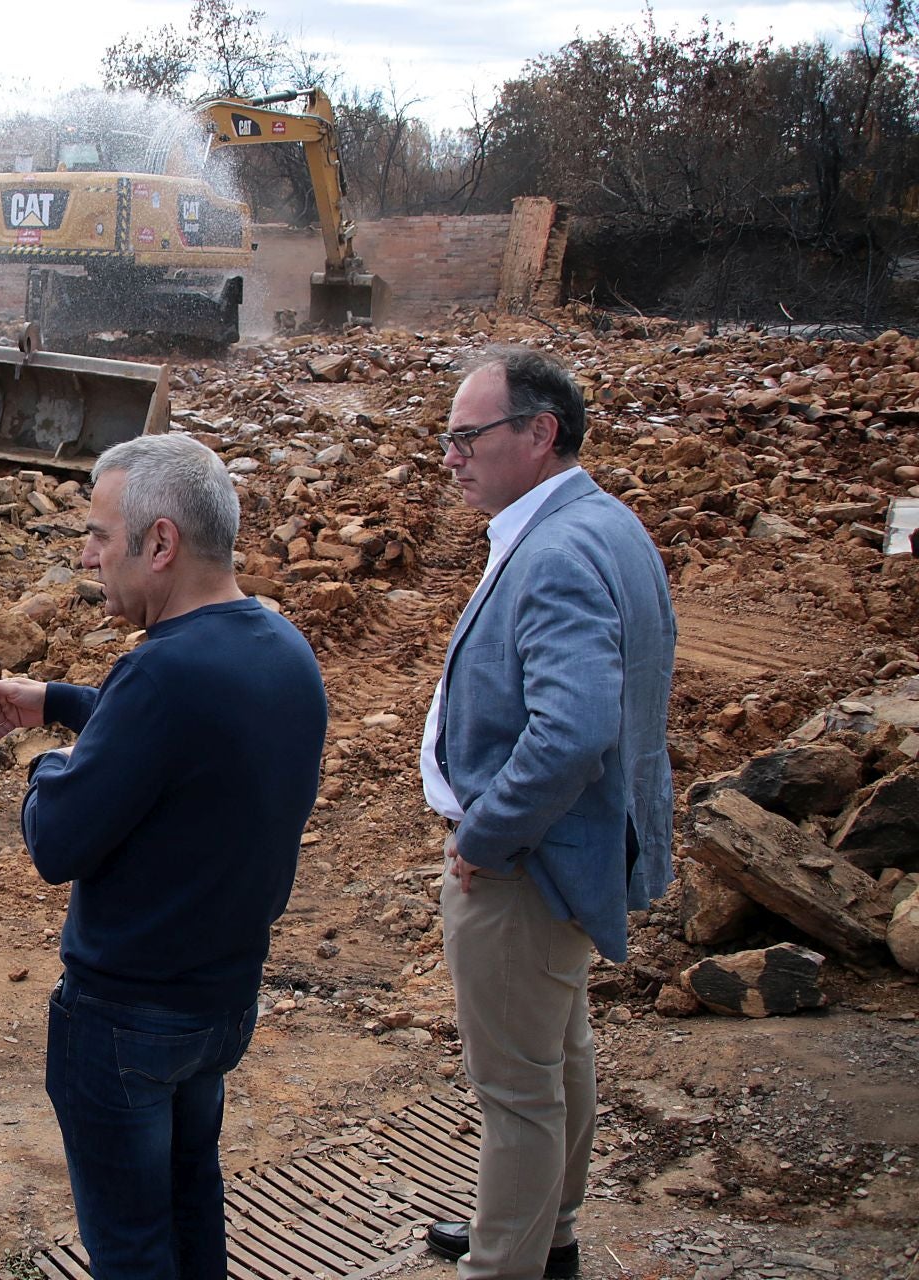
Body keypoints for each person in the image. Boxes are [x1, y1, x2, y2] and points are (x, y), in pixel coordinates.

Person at [0, 433, 326, 1280]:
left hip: (127, 1018)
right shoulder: (282, 650)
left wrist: (48, 763)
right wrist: (60, 701)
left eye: (99, 536)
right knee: (191, 1204)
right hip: (219, 1004)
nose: (87, 556)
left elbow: (56, 841)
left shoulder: (161, 675)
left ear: (160, 543)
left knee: (131, 1247)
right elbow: (187, 736)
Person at [418, 347, 676, 1280]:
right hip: (574, 850)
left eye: (467, 436)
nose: (451, 456)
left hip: (528, 862)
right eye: (448, 438)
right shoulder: (604, 522)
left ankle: (506, 1265)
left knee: (517, 1090)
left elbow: (574, 730)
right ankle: (542, 1231)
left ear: (539, 433)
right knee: (560, 1051)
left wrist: (487, 836)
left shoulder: (559, 549)